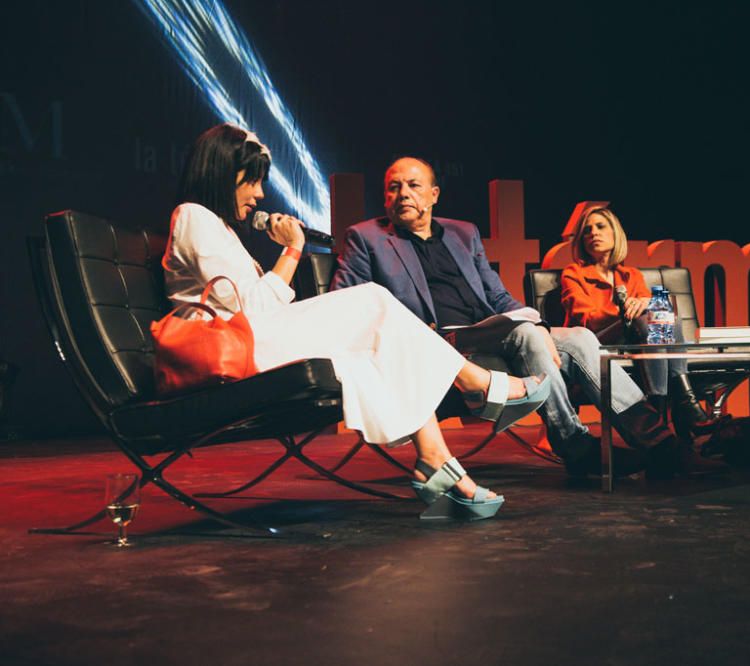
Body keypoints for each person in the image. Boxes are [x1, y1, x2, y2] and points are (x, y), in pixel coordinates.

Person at [163, 124, 550, 521]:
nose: (260, 194)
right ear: (224, 174)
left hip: (256, 339)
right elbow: (255, 309)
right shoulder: (194, 217)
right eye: (254, 181)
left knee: (368, 356)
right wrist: (293, 249)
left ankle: (437, 462)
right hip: (239, 351)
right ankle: (478, 384)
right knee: (372, 299)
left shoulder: (216, 226)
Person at [333, 157, 681, 478]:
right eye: (394, 187)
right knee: (529, 336)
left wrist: (540, 325)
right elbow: (347, 302)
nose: (403, 194)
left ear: (434, 194)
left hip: (493, 328)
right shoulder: (367, 238)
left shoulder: (463, 233)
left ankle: (659, 442)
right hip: (440, 339)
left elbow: (498, 297)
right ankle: (574, 444)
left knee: (579, 337)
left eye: (413, 185)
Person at [562, 206, 723, 473]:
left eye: (601, 227)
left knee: (662, 313)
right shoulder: (573, 273)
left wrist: (646, 304)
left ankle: (660, 418)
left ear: (616, 234)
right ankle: (686, 408)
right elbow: (585, 318)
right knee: (651, 314)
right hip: (595, 345)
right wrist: (631, 309)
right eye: (587, 230)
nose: (593, 234)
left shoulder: (631, 275)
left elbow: (652, 320)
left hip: (635, 345)